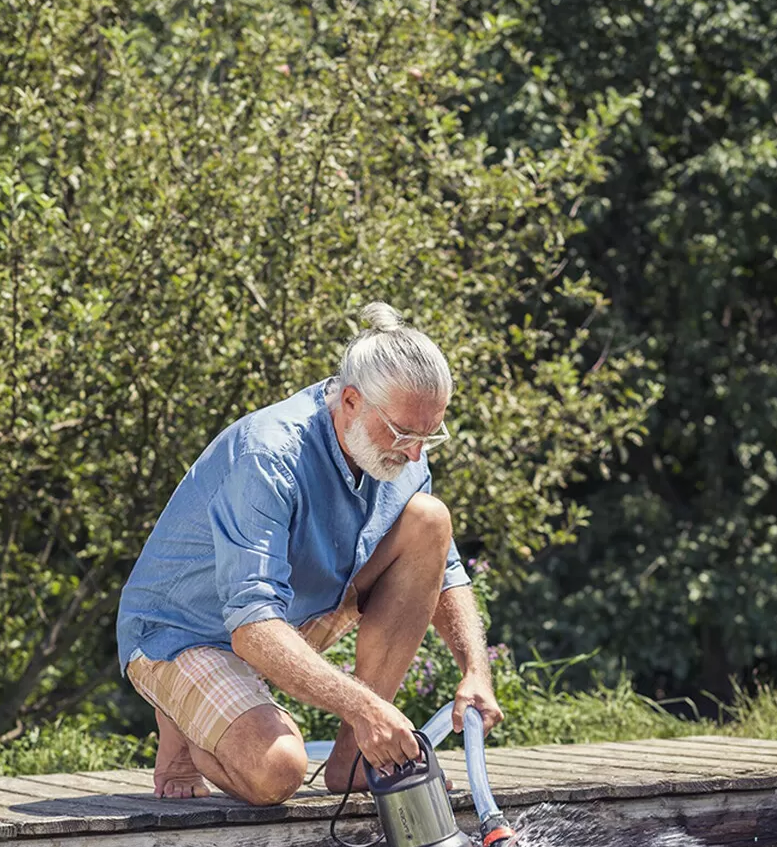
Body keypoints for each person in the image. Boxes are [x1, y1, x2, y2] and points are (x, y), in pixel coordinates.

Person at [116, 303, 504, 806]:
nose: (415, 453)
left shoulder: (400, 445)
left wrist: (475, 668)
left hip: (288, 617)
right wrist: (365, 707)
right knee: (278, 770)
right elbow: (253, 625)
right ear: (349, 401)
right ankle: (183, 719)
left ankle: (356, 761)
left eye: (429, 436)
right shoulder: (269, 454)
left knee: (430, 519)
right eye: (405, 435)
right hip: (181, 634)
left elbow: (443, 568)